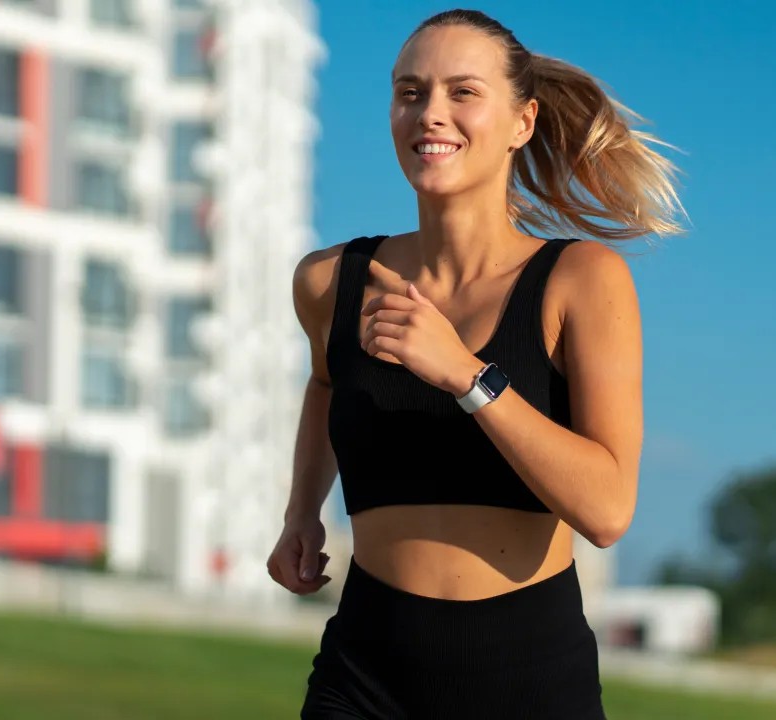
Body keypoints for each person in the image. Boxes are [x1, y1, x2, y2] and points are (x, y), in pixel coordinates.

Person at [267, 8, 684, 719]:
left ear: (522, 121)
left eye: (462, 92)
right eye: (410, 92)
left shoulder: (581, 280)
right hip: (363, 674)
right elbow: (326, 380)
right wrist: (302, 509)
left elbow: (607, 511)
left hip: (528, 678)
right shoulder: (330, 281)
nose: (430, 113)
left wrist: (467, 375)